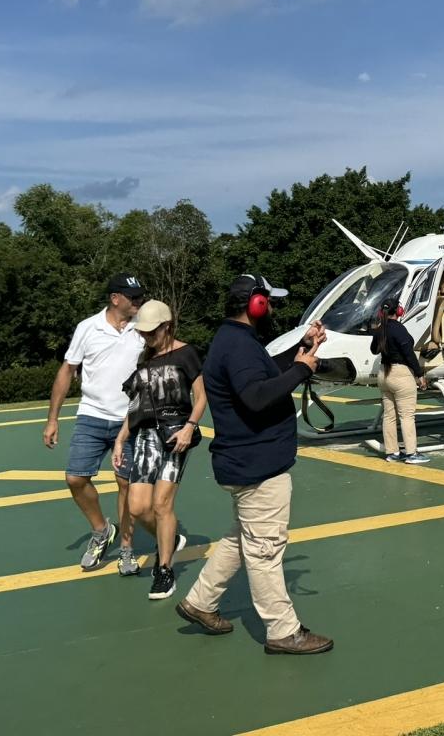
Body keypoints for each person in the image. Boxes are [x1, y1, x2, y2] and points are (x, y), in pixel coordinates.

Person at [175, 274, 334, 655]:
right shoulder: (239, 345)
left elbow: (262, 372)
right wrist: (302, 369)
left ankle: (200, 601)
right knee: (265, 550)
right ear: (255, 303)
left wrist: (301, 348)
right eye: (269, 301)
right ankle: (283, 631)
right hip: (257, 465)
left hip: (244, 462)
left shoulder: (234, 340)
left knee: (242, 537)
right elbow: (257, 396)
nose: (272, 308)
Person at [43, 273, 147, 573]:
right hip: (91, 415)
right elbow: (67, 370)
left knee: (125, 485)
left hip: (129, 419)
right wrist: (53, 419)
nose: (139, 302)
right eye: (133, 297)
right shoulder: (88, 328)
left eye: (141, 296)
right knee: (75, 479)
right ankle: (102, 530)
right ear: (115, 298)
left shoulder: (144, 327)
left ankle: (126, 549)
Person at [112, 299, 203, 600]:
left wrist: (190, 426)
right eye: (144, 332)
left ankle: (164, 570)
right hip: (145, 436)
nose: (147, 337)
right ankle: (170, 538)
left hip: (177, 435)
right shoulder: (144, 360)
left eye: (152, 331)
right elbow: (136, 405)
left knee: (162, 504)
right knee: (138, 507)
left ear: (167, 326)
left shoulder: (187, 353)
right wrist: (120, 439)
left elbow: (202, 395)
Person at [369, 297, 431, 464]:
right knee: (407, 416)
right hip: (401, 374)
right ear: (399, 311)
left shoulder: (380, 329)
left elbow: (374, 350)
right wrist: (419, 374)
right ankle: (411, 453)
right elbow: (409, 354)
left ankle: (392, 452)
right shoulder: (399, 329)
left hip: (384, 374)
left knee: (389, 416)